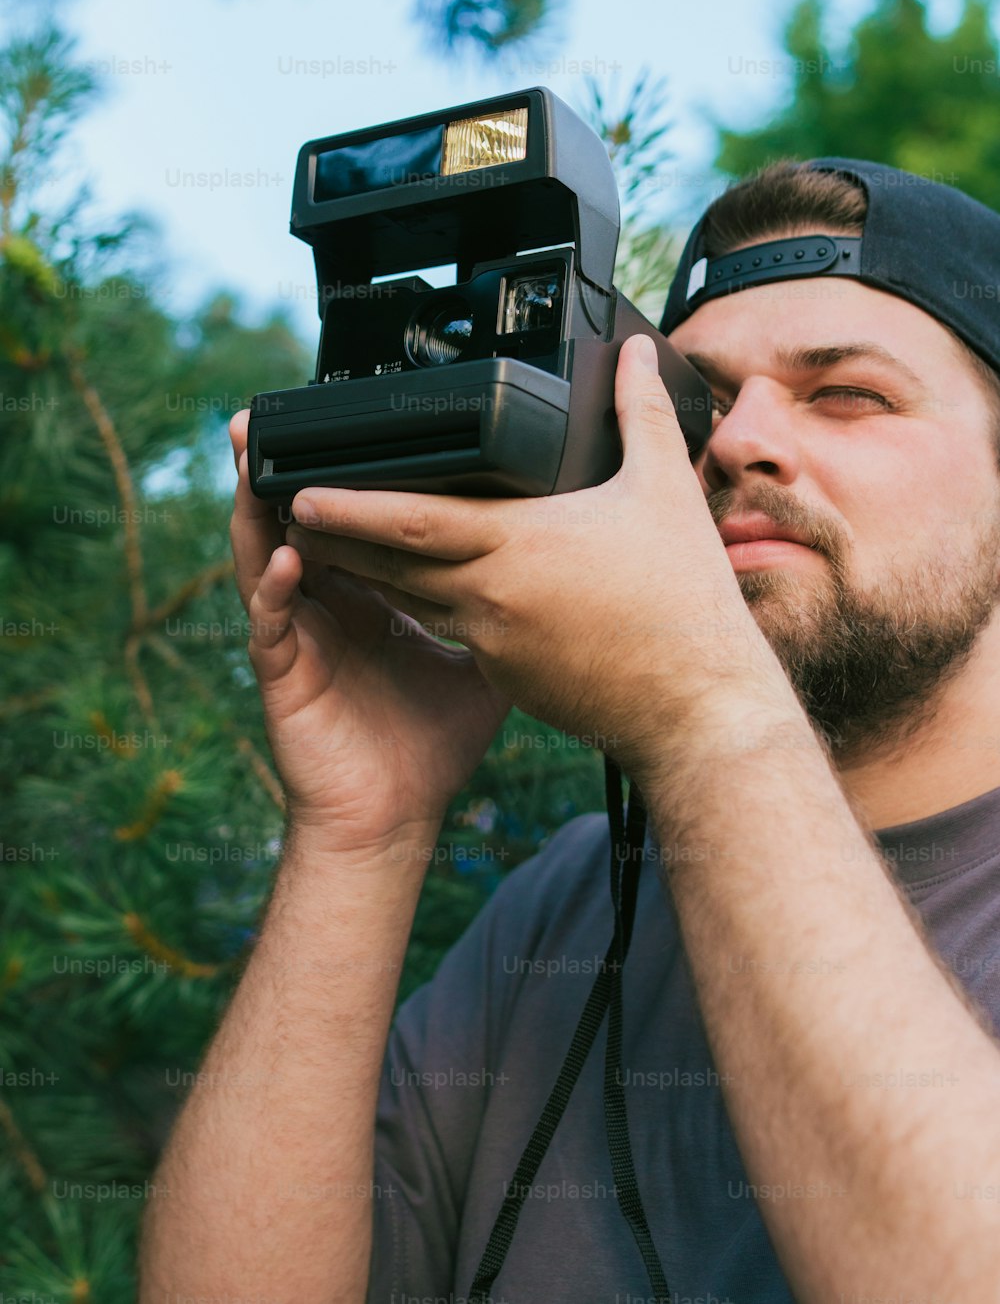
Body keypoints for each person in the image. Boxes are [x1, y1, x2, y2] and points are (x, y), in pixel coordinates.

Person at [138, 157, 1000, 1303]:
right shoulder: (566, 905)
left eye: (845, 393)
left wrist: (703, 716)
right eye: (695, 403)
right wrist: (363, 830)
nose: (738, 445)